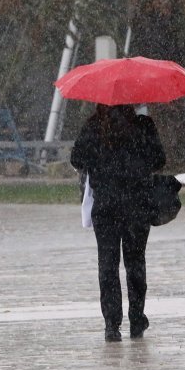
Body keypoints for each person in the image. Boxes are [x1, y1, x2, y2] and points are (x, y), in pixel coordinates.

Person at [70, 104, 166, 342]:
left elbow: (77, 159)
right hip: (137, 205)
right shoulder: (143, 125)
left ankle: (111, 325)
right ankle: (136, 319)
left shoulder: (94, 125)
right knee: (135, 263)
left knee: (108, 265)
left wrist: (101, 163)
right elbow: (159, 161)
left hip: (106, 206)